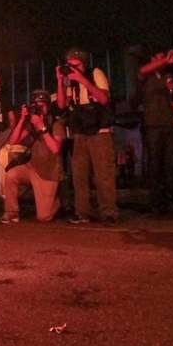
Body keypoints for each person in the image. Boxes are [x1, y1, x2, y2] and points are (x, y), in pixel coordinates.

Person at [56, 47, 118, 224]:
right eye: (69, 65)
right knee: (79, 175)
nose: (72, 69)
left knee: (103, 174)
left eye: (75, 65)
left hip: (100, 132)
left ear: (83, 64)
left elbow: (104, 99)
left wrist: (83, 80)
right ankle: (82, 212)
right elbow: (61, 104)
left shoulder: (96, 73)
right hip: (80, 133)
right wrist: (60, 81)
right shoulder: (70, 81)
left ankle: (109, 212)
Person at [1, 90, 65, 223]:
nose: (39, 109)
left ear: (48, 106)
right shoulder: (31, 125)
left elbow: (55, 148)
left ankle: (56, 203)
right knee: (11, 175)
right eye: (36, 106)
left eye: (42, 106)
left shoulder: (56, 124)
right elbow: (12, 142)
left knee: (43, 217)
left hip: (49, 173)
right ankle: (11, 212)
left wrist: (42, 127)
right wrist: (22, 119)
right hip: (32, 168)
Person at [135, 50, 173, 214]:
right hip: (153, 124)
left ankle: (170, 200)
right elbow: (141, 71)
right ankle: (156, 202)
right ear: (153, 58)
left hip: (168, 123)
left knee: (170, 164)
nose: (163, 60)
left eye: (164, 57)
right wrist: (165, 61)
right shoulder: (146, 75)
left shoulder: (168, 75)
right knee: (155, 164)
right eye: (160, 57)